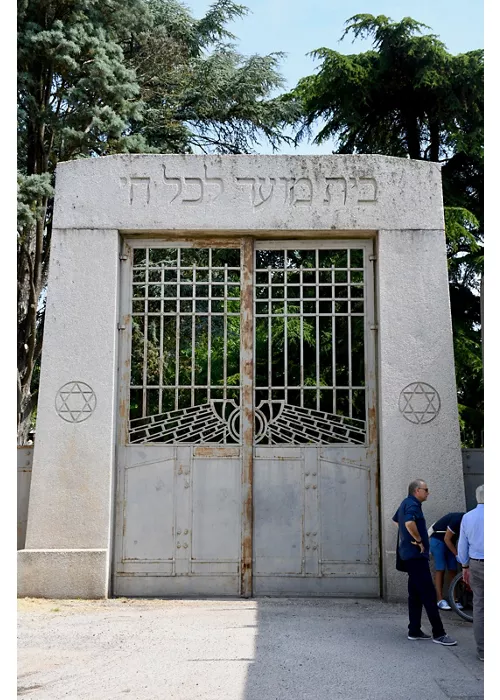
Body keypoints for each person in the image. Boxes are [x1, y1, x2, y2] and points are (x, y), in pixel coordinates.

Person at [393, 479, 457, 646]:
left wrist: (407, 538)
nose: (428, 492)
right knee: (429, 594)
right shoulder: (412, 505)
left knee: (414, 595)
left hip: (409, 556)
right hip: (416, 557)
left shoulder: (405, 503)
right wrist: (419, 540)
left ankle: (414, 630)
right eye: (426, 489)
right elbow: (408, 522)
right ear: (417, 491)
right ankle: (439, 633)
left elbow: (396, 521)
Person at [457, 484, 484, 661]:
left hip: (476, 564)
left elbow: (462, 545)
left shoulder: (468, 517)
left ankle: (483, 650)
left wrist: (465, 565)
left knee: (480, 606)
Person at [428, 511, 465, 609]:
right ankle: (440, 599)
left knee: (453, 569)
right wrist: (457, 554)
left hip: (450, 542)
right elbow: (446, 538)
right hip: (438, 540)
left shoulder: (468, 521)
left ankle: (454, 599)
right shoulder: (458, 519)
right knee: (440, 568)